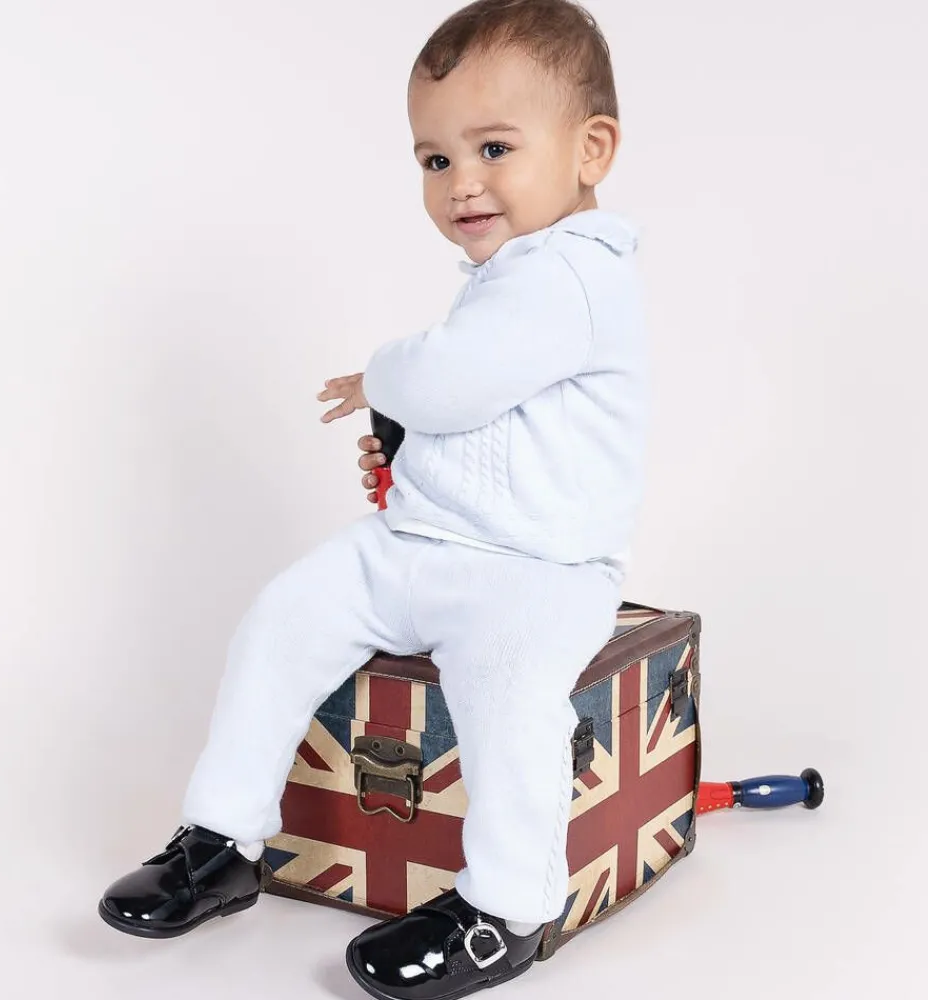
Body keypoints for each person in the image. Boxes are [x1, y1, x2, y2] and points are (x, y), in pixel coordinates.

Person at [98, 2, 647, 997]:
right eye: (435, 159)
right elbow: (482, 407)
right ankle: (222, 838)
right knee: (284, 619)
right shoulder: (508, 275)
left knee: (509, 694)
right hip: (420, 545)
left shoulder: (576, 271)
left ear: (590, 150)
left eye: (493, 148)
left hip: (535, 573)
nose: (461, 180)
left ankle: (508, 908)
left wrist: (385, 377)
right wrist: (408, 450)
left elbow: (455, 379)